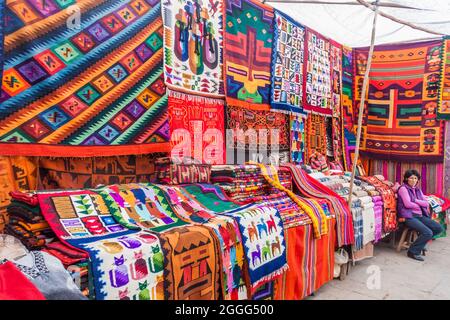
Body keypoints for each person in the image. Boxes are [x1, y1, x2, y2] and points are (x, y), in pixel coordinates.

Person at [397, 169, 443, 261]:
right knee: (428, 232)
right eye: (411, 178)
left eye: (416, 178)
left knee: (438, 228)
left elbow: (426, 203)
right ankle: (412, 252)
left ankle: (420, 244)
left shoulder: (417, 189)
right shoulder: (403, 188)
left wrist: (414, 200)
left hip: (419, 216)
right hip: (409, 216)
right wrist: (419, 203)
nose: (414, 180)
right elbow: (407, 204)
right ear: (406, 179)